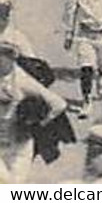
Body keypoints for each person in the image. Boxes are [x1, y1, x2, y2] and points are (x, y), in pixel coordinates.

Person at [0, 30, 67, 184]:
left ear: (12, 57)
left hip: (19, 148)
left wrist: (39, 124)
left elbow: (59, 104)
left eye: (4, 55)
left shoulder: (23, 80)